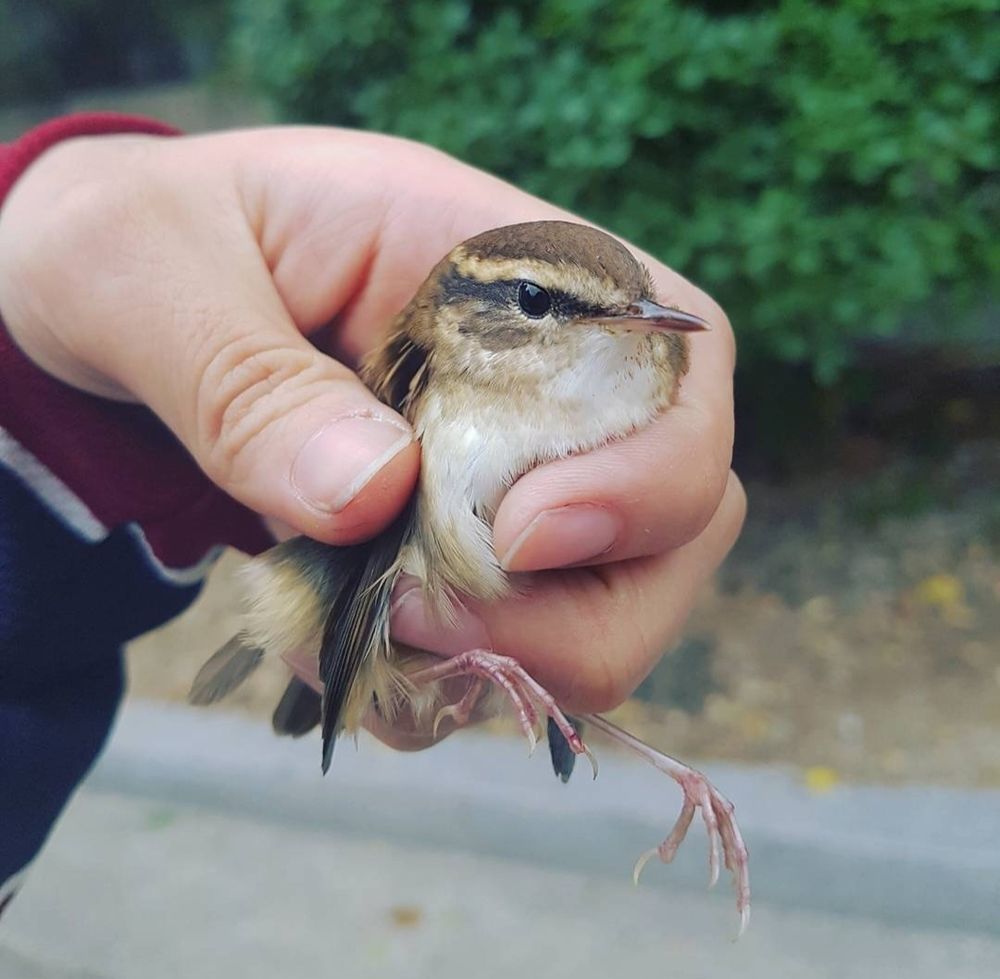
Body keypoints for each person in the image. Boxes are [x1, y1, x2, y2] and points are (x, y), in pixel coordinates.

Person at [0, 114, 745, 911]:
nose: (629, 322)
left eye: (638, 305)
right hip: (409, 571)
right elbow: (372, 542)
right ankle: (481, 672)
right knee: (498, 638)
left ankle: (646, 756)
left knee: (556, 640)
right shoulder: (434, 366)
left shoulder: (652, 351)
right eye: (535, 302)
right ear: (464, 315)